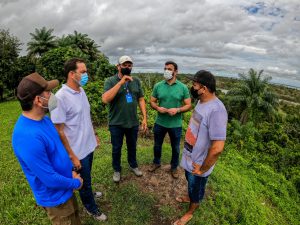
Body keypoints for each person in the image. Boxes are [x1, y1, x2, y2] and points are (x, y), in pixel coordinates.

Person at [12, 72, 83, 225]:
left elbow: (56, 150)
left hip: (67, 184)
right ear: (38, 100)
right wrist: (76, 183)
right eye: (49, 92)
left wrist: (71, 170)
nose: (53, 95)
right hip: (56, 198)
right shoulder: (27, 137)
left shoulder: (44, 119)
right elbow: (49, 179)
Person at [50, 58, 107, 221]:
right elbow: (58, 130)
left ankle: (89, 193)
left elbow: (85, 116)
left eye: (86, 71)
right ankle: (90, 207)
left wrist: (94, 134)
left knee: (87, 176)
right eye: (83, 72)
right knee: (83, 179)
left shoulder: (81, 91)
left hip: (88, 144)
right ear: (71, 74)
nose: (86, 74)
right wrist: (71, 155)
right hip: (77, 150)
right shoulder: (60, 97)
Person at [174, 70, 228, 225]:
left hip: (199, 163)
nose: (192, 87)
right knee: (190, 183)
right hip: (190, 156)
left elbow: (217, 148)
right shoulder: (201, 101)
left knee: (196, 188)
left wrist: (202, 169)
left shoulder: (217, 110)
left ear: (204, 88)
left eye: (195, 85)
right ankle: (190, 197)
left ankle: (190, 211)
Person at [102, 55, 147, 183]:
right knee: (116, 148)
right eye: (124, 65)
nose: (127, 67)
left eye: (129, 65)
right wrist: (121, 82)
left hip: (132, 122)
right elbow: (105, 99)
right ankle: (117, 169)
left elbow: (141, 99)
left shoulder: (136, 81)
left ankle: (133, 165)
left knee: (132, 146)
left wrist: (144, 118)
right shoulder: (110, 81)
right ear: (118, 66)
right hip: (116, 122)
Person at [149, 61, 191, 178]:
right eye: (165, 69)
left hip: (175, 124)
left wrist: (177, 110)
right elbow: (152, 101)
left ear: (176, 72)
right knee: (157, 145)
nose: (167, 71)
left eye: (169, 69)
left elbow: (188, 105)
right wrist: (157, 107)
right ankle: (156, 162)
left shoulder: (182, 87)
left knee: (176, 148)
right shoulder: (158, 85)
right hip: (160, 122)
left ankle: (174, 167)